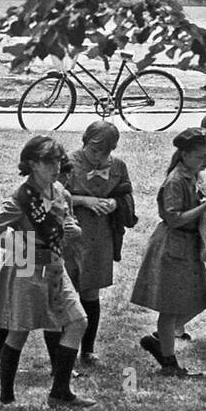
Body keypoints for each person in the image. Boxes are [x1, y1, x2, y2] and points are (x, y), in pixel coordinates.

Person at [0, 136, 94, 409]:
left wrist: (74, 230)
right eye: (48, 162)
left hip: (55, 267)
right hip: (28, 270)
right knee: (19, 330)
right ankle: (6, 397)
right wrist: (20, 247)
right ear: (32, 164)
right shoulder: (22, 198)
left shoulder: (61, 193)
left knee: (77, 321)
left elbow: (69, 222)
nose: (56, 168)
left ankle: (60, 392)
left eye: (58, 161)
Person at [130, 128, 206, 376]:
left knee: (201, 299)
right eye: (199, 156)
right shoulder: (175, 181)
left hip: (191, 246)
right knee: (171, 305)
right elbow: (174, 219)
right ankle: (169, 360)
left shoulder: (196, 176)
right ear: (184, 155)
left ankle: (161, 340)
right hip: (173, 246)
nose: (205, 161)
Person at [63, 121, 136, 366]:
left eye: (104, 153)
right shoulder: (68, 164)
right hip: (71, 234)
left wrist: (115, 204)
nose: (98, 158)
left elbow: (125, 194)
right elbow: (52, 195)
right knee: (67, 290)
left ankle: (88, 349)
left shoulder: (118, 166)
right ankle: (65, 349)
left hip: (99, 235)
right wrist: (84, 200)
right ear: (84, 142)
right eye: (93, 151)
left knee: (90, 291)